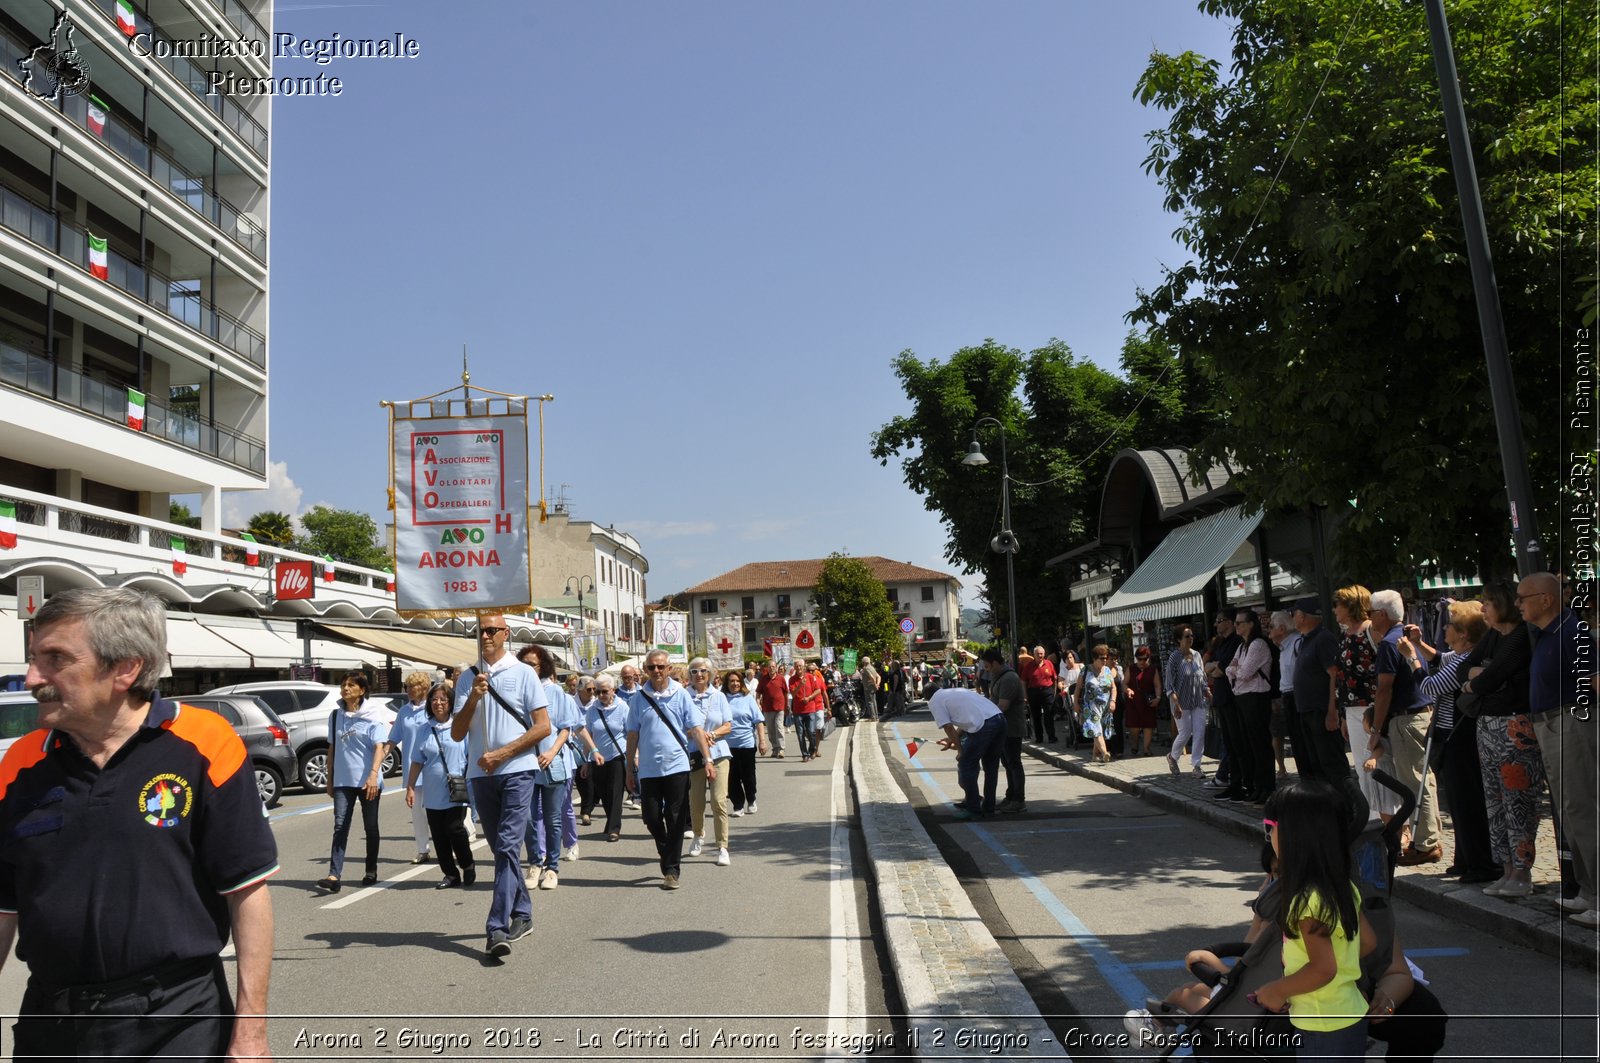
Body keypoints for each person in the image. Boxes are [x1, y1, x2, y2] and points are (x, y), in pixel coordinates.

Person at [0, 587, 275, 1060]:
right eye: (33, 658)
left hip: (177, 1019)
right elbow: (2, 909)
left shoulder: (205, 743)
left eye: (55, 659)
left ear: (125, 668)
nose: (31, 678)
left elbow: (246, 892)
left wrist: (250, 1033)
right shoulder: (20, 765)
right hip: (51, 1023)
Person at [1252, 783, 1377, 1063]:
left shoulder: (1305, 901)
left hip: (1322, 1025)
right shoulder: (1341, 887)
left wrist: (1278, 990)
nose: (1268, 834)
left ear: (1294, 837)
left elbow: (1323, 968)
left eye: (1270, 826)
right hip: (1349, 1013)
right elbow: (1368, 942)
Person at [452, 614, 551, 958]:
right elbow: (457, 732)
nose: (486, 635)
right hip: (482, 776)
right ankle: (522, 912)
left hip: (518, 771)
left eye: (492, 630)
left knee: (508, 846)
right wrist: (473, 697)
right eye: (481, 630)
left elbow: (543, 727)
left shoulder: (523, 672)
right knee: (501, 849)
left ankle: (496, 927)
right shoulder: (467, 678)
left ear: (506, 634)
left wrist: (504, 753)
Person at [1517, 571, 1598, 926]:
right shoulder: (1551, 634)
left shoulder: (1571, 632)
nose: (1518, 604)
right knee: (1570, 813)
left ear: (1546, 599)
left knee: (1583, 811)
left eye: (1523, 597)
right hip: (1554, 725)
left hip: (1571, 724)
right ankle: (1590, 892)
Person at [1454, 581, 1541, 899]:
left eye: (1488, 602)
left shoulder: (1520, 636)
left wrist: (1482, 676)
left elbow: (1489, 678)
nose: (1482, 609)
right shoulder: (1493, 636)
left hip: (1515, 728)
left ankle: (1522, 871)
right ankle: (1506, 869)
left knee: (1519, 801)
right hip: (1487, 727)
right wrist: (1480, 675)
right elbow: (1465, 669)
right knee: (1495, 802)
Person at [1407, 601, 1498, 884]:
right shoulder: (1459, 655)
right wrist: (1421, 645)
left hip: (1461, 737)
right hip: (1452, 734)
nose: (1444, 628)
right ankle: (1465, 859)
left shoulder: (1465, 660)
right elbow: (1439, 659)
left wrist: (1412, 660)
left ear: (1463, 633)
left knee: (1467, 801)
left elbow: (1430, 685)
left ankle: (1480, 864)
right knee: (1457, 803)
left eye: (1449, 625)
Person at [624, 649, 713, 890]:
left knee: (674, 819)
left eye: (660, 667)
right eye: (651, 667)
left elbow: (695, 729)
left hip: (677, 766)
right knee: (651, 818)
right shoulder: (638, 699)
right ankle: (667, 852)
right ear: (645, 669)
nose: (656, 671)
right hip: (649, 770)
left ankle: (671, 870)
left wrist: (707, 759)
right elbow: (632, 735)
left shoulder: (681, 694)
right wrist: (628, 769)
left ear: (669, 668)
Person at [1368, 589, 1440, 862]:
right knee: (1423, 780)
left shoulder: (1389, 643)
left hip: (1406, 718)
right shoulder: (1408, 637)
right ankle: (1428, 838)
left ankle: (1425, 844)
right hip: (1420, 715)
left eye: (1371, 613)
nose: (1370, 618)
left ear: (1382, 614)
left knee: (1414, 782)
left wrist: (1375, 730)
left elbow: (1384, 689)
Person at [319, 671, 388, 891]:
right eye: (343, 684)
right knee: (340, 826)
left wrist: (373, 774)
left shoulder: (373, 714)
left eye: (350, 685)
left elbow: (379, 747)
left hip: (368, 780)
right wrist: (329, 778)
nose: (345, 688)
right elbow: (332, 749)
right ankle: (333, 875)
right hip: (342, 780)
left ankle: (370, 870)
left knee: (371, 827)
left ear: (362, 690)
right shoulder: (335, 716)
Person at [406, 683, 476, 889]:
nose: (438, 703)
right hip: (433, 790)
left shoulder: (461, 726)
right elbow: (417, 761)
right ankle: (450, 874)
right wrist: (410, 787)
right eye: (434, 699)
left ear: (451, 703)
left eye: (443, 700)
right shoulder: (425, 729)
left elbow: (470, 756)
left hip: (456, 788)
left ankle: (467, 864)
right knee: (438, 834)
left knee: (455, 829)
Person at [1332, 585, 1380, 814]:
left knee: (1377, 762)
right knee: (1361, 764)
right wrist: (1342, 715)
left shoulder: (1371, 630)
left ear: (1350, 606)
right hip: (1351, 708)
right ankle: (1369, 813)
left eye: (1338, 604)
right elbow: (1342, 677)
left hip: (1371, 706)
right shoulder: (1344, 634)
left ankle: (1386, 815)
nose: (1334, 610)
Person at [1289, 597, 1348, 784]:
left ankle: (1344, 806)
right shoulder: (1305, 639)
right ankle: (1326, 805)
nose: (1292, 618)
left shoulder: (1323, 638)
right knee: (1316, 763)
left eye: (1294, 614)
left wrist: (1333, 711)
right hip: (1307, 711)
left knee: (1331, 762)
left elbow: (1334, 674)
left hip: (1321, 710)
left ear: (1302, 616)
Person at [927, 686, 1005, 820]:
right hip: (999, 719)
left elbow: (948, 727)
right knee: (991, 767)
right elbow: (965, 721)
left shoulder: (934, 701)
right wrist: (952, 741)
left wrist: (960, 750)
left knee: (965, 765)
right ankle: (988, 807)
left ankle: (973, 807)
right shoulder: (954, 692)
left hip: (983, 725)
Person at [685, 658, 734, 866]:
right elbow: (680, 726)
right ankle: (698, 834)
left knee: (718, 801)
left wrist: (711, 733)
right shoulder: (685, 697)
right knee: (695, 801)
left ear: (710, 674)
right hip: (695, 755)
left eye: (703, 671)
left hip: (719, 754)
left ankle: (722, 846)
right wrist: (696, 735)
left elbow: (728, 725)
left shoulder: (719, 696)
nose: (699, 675)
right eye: (694, 671)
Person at [1224, 609, 1275, 804]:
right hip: (1242, 697)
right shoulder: (1242, 646)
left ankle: (1267, 786)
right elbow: (1230, 668)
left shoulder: (1258, 644)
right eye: (1235, 623)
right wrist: (1236, 670)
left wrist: (1236, 671)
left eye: (1239, 623)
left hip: (1256, 698)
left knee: (1260, 744)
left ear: (1250, 624)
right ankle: (1256, 786)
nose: (1236, 626)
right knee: (1248, 745)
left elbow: (1244, 672)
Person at [392, 670, 437, 865]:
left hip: (434, 768)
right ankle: (422, 849)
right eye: (407, 686)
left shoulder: (434, 708)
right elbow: (393, 738)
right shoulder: (404, 711)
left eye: (413, 686)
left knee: (437, 811)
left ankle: (450, 846)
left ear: (424, 688)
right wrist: (377, 759)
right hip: (413, 769)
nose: (409, 690)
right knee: (417, 813)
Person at [982, 647, 1027, 813]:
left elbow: (1003, 705)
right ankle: (1010, 795)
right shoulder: (999, 677)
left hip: (1011, 728)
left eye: (987, 667)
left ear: (994, 663)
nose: (986, 671)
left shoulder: (1008, 678)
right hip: (1002, 728)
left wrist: (986, 719)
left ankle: (1018, 799)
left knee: (1014, 763)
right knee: (1007, 763)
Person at [585, 676, 631, 842]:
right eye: (598, 692)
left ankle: (614, 828)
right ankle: (611, 821)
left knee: (615, 793)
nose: (601, 695)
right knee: (604, 793)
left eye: (605, 691)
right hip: (597, 758)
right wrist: (585, 760)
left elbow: (631, 733)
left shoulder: (623, 707)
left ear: (613, 690)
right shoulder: (592, 710)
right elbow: (588, 735)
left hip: (617, 756)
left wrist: (635, 756)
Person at [1205, 613, 1244, 792]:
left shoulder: (1236, 641)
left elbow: (1221, 670)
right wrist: (1215, 667)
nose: (1216, 624)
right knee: (1228, 741)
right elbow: (1208, 667)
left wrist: (1215, 667)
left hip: (1232, 697)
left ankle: (1231, 778)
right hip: (1221, 697)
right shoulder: (1222, 642)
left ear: (1230, 622)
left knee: (1235, 742)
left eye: (1219, 621)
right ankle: (1227, 777)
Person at [1164, 627, 1209, 777]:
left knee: (1199, 732)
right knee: (1185, 732)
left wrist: (1206, 690)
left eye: (1192, 635)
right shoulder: (1174, 657)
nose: (1190, 638)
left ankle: (1196, 766)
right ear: (1179, 640)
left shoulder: (1197, 655)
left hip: (1197, 699)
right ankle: (1173, 757)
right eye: (1187, 636)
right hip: (1181, 701)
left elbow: (1201, 675)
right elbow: (1169, 683)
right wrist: (1176, 702)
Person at [723, 669, 767, 816]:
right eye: (731, 681)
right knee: (732, 777)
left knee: (748, 776)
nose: (735, 684)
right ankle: (738, 805)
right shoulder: (721, 698)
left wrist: (762, 741)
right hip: (727, 746)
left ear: (741, 683)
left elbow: (759, 721)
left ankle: (751, 799)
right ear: (727, 683)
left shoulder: (747, 698)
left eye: (737, 681)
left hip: (746, 744)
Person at [1076, 644, 1119, 763]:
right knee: (1096, 729)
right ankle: (1105, 753)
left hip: (1105, 706)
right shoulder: (1085, 670)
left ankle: (1095, 756)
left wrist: (1113, 701)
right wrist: (1075, 703)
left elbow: (1113, 688)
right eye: (1102, 658)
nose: (1105, 660)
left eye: (1106, 657)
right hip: (1090, 706)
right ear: (1094, 658)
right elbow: (1078, 688)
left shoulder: (1107, 670)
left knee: (1099, 731)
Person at [1268, 611, 1298, 779]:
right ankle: (1283, 768)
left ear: (1281, 628)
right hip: (1284, 696)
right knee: (1280, 734)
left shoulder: (1296, 643)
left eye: (1271, 627)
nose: (1268, 630)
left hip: (1295, 696)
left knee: (1298, 739)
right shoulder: (1282, 647)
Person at [1125, 645, 1163, 757]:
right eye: (1139, 659)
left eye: (1144, 659)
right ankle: (1135, 745)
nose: (1142, 661)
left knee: (1148, 725)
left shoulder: (1153, 669)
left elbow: (1157, 685)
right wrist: (1127, 690)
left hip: (1148, 701)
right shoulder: (1131, 668)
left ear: (1148, 658)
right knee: (1134, 727)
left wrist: (1158, 698)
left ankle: (1147, 749)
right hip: (1133, 701)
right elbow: (1124, 683)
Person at [789, 659, 826, 762]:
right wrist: (800, 684)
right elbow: (793, 694)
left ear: (803, 667)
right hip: (798, 711)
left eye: (800, 666)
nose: (798, 668)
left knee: (811, 732)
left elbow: (818, 690)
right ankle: (804, 754)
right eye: (796, 666)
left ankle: (812, 749)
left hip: (810, 710)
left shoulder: (810, 677)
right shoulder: (792, 680)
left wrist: (809, 698)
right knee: (800, 734)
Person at [1024, 644, 1059, 744]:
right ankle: (1039, 737)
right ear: (1034, 654)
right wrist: (1025, 695)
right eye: (1038, 654)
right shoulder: (1029, 666)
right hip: (1033, 692)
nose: (1040, 656)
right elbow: (1024, 681)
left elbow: (1055, 679)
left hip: (1047, 691)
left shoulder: (1049, 663)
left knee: (1049, 715)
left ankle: (1051, 737)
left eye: (1042, 654)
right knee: (1036, 716)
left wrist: (1054, 692)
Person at [756, 660, 789, 758]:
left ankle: (781, 749)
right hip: (767, 708)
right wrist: (758, 703)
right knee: (770, 730)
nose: (771, 668)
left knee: (779, 728)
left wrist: (786, 705)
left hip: (779, 708)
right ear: (767, 668)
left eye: (773, 666)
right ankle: (775, 748)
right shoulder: (764, 679)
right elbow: (758, 693)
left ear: (776, 667)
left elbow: (785, 693)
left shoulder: (781, 678)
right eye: (770, 667)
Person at [857, 655, 880, 721]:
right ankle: (876, 716)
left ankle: (872, 717)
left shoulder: (865, 668)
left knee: (869, 702)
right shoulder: (872, 668)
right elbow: (878, 677)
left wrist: (875, 685)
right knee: (874, 701)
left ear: (864, 662)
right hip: (873, 687)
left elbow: (871, 677)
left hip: (868, 687)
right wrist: (877, 684)